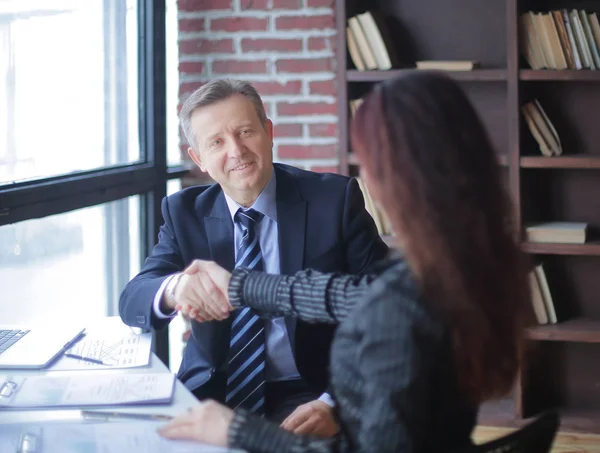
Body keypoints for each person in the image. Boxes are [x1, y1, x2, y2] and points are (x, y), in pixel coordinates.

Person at [157, 71, 530, 453]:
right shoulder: (464, 265)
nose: (366, 175)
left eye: (370, 161)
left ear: (402, 178)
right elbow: (347, 295)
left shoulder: (403, 302)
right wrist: (239, 286)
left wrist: (239, 432)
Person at [118, 78, 388, 437]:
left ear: (268, 131)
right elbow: (133, 299)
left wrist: (336, 403)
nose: (237, 150)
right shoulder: (184, 212)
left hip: (311, 390)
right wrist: (175, 288)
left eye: (245, 131)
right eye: (216, 142)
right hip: (213, 393)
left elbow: (386, 309)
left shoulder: (334, 201)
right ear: (199, 158)